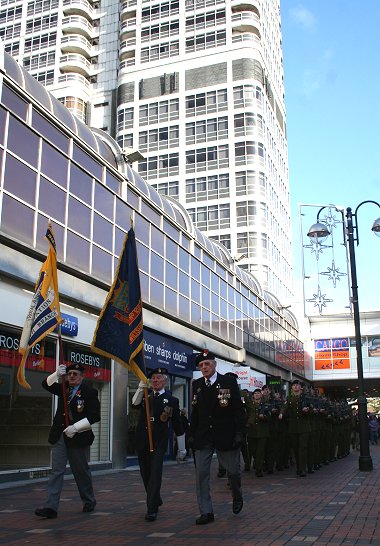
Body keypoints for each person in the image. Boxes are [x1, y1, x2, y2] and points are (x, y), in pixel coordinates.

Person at [35, 363, 101, 519]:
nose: (71, 376)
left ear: (82, 376)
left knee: (81, 471)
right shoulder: (64, 388)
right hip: (60, 436)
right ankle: (51, 507)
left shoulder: (89, 392)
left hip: (78, 438)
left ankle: (89, 501)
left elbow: (94, 416)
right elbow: (46, 384)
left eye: (75, 374)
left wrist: (76, 427)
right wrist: (56, 374)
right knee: (56, 471)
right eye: (69, 373)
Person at [188, 351, 246, 525]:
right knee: (202, 475)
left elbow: (238, 410)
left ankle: (237, 495)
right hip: (203, 436)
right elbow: (195, 413)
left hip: (226, 434)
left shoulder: (228, 382)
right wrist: (191, 434)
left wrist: (239, 433)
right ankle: (206, 511)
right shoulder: (197, 384)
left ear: (214, 365)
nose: (204, 368)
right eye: (201, 366)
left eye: (207, 364)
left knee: (233, 472)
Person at [132, 367, 185, 522]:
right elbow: (134, 404)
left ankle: (152, 509)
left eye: (158, 378)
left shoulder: (172, 400)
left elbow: (177, 424)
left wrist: (182, 448)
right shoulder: (145, 396)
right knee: (146, 475)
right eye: (153, 378)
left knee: (155, 474)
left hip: (159, 442)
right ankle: (155, 497)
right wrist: (141, 386)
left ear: (165, 381)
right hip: (142, 441)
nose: (155, 381)